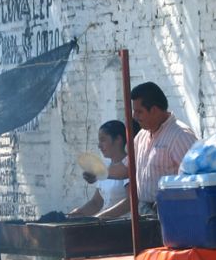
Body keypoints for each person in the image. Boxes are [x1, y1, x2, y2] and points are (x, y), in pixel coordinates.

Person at [97, 82, 197, 218]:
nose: (134, 117)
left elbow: (193, 181)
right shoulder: (141, 137)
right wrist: (98, 173)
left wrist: (170, 201)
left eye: (139, 112)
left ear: (154, 110)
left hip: (173, 215)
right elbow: (127, 168)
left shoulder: (180, 136)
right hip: (144, 213)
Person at [69, 120, 136, 217]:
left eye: (103, 140)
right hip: (106, 225)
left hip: (123, 226)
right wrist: (78, 213)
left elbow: (130, 203)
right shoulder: (106, 166)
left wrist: (100, 218)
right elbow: (96, 202)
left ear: (118, 139)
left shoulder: (128, 166)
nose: (99, 145)